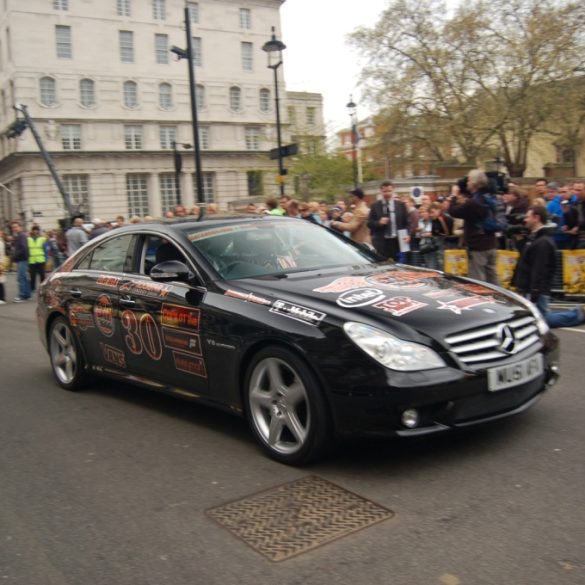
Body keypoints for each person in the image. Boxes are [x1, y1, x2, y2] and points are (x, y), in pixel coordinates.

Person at [512, 206, 585, 328]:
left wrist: (534, 292)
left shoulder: (543, 242)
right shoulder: (536, 238)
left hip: (536, 289)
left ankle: (578, 314)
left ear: (536, 218)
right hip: (531, 288)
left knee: (541, 321)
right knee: (535, 321)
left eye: (528, 217)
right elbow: (526, 258)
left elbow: (539, 269)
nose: (525, 220)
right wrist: (520, 241)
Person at [448, 170, 499, 285]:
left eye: (469, 180)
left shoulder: (472, 203)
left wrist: (454, 196)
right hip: (491, 243)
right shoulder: (489, 198)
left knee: (478, 281)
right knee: (493, 279)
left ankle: (482, 302)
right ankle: (499, 301)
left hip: (477, 247)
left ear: (474, 183)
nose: (467, 182)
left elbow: (453, 211)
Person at [368, 180, 408, 261]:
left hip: (397, 242)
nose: (387, 194)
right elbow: (369, 223)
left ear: (393, 190)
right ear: (381, 191)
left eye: (389, 191)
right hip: (382, 242)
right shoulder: (375, 206)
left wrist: (408, 234)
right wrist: (379, 222)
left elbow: (406, 223)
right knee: (382, 266)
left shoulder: (401, 205)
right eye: (385, 191)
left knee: (400, 266)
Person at [10, 220, 31, 302]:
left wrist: (15, 256)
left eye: (15, 227)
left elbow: (23, 248)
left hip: (22, 259)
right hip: (23, 259)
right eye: (13, 227)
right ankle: (27, 294)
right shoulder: (21, 235)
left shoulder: (21, 236)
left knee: (21, 278)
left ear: (20, 227)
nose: (14, 229)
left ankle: (22, 296)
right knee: (24, 278)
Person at [27, 225, 47, 292]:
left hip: (41, 260)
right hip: (32, 261)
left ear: (38, 231)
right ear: (32, 231)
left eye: (36, 230)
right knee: (32, 276)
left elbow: (45, 250)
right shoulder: (28, 239)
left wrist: (45, 259)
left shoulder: (42, 239)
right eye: (34, 230)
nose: (35, 231)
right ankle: (32, 288)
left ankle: (42, 287)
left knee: (42, 275)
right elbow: (27, 250)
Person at [0, 228, 6, 304]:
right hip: (1, 263)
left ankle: (2, 298)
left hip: (0, 264)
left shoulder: (0, 242)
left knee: (0, 281)